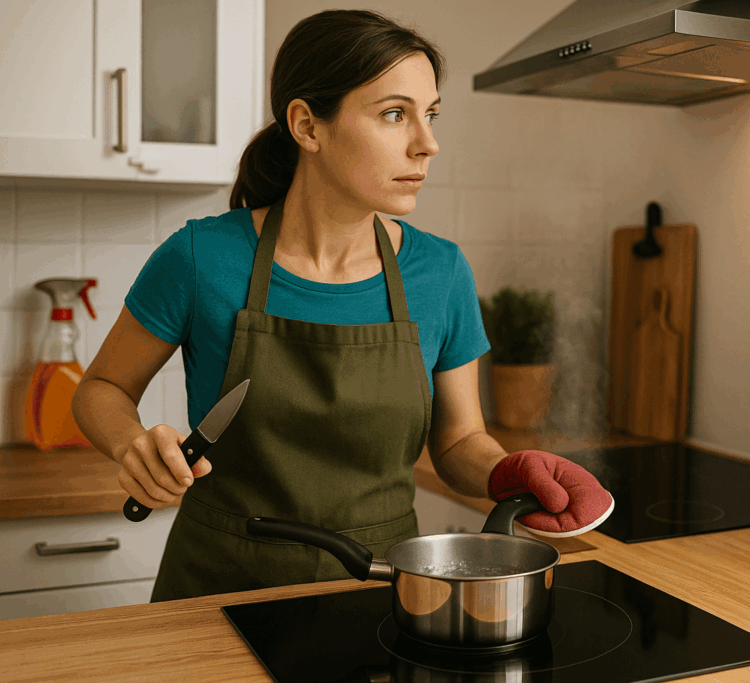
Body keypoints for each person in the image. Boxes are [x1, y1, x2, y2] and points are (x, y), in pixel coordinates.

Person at [71, 9, 612, 602]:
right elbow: (101, 388)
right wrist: (133, 445)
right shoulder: (200, 257)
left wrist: (512, 475)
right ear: (307, 125)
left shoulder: (441, 272)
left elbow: (458, 443)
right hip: (215, 590)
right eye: (394, 114)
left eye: (429, 115)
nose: (427, 143)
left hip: (379, 589)